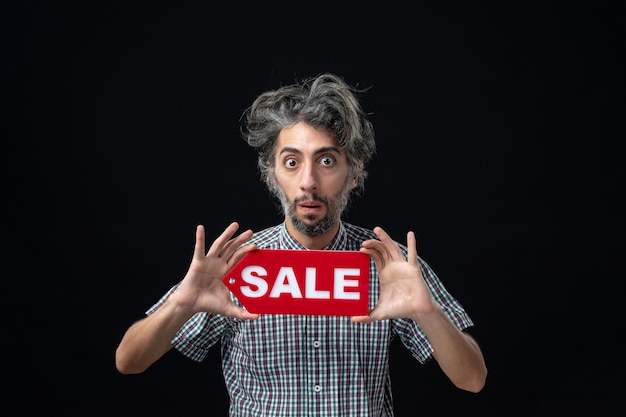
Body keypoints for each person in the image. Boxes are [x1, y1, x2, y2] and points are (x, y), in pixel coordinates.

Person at [115, 73, 488, 416]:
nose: (308, 181)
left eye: (326, 160)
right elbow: (128, 360)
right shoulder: (234, 265)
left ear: (354, 172)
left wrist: (428, 313)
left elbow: (473, 380)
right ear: (271, 174)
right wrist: (181, 305)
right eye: (291, 162)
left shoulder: (391, 267)